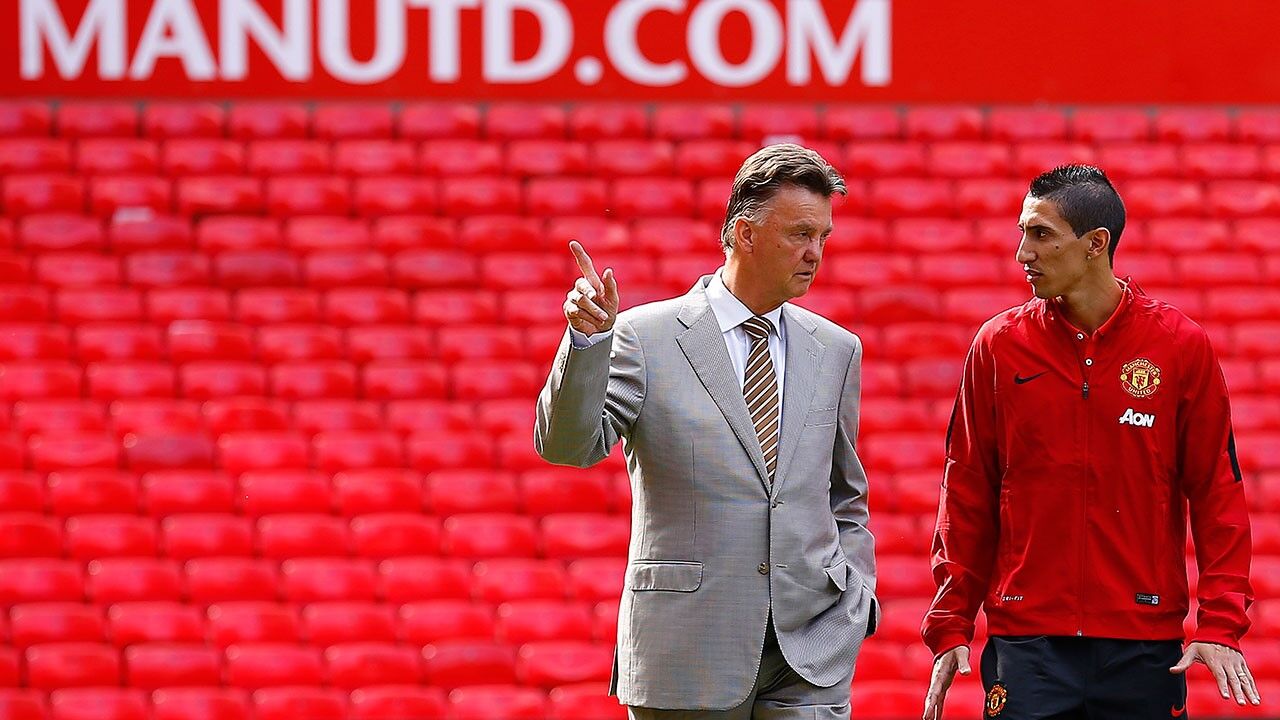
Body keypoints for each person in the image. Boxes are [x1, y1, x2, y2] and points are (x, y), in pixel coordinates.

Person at [534, 143, 877, 719]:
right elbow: (568, 446)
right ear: (745, 234)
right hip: (688, 649)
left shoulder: (837, 349)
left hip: (812, 651)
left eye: (823, 236)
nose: (815, 252)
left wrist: (855, 597)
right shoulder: (643, 336)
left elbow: (847, 495)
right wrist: (589, 344)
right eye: (800, 234)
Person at [921, 165, 1259, 720]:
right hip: (1027, 642)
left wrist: (1220, 624)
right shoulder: (998, 346)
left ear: (1096, 243)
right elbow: (966, 490)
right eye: (1023, 233)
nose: (1023, 253)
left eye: (1042, 234)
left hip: (1144, 644)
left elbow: (1218, 493)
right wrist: (951, 622)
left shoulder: (1179, 346)